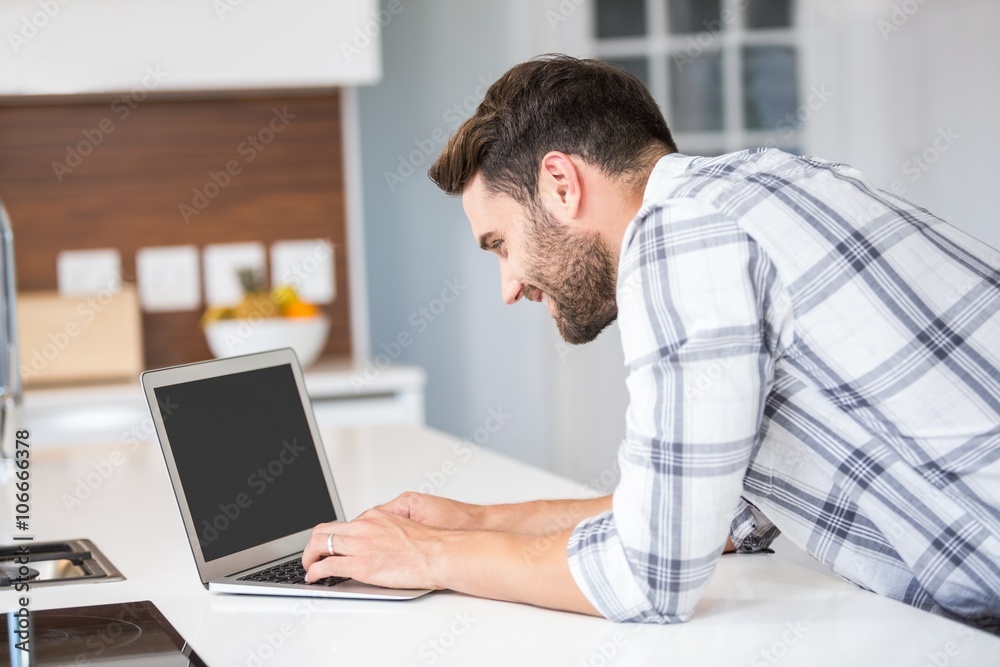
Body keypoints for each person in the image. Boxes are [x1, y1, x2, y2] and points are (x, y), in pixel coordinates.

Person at [303, 54, 1000, 632]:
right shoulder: (763, 185)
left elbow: (649, 574)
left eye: (501, 244)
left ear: (559, 183)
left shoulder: (681, 238)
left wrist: (426, 557)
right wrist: (482, 521)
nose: (508, 285)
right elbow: (710, 513)